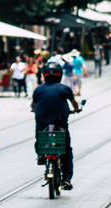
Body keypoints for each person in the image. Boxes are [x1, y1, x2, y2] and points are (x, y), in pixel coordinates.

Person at [31, 62, 80, 190]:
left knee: (39, 135)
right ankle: (66, 179)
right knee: (66, 150)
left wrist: (34, 109)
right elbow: (74, 104)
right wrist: (77, 108)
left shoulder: (38, 90)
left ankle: (41, 155)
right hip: (60, 123)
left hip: (43, 124)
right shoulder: (65, 89)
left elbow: (33, 106)